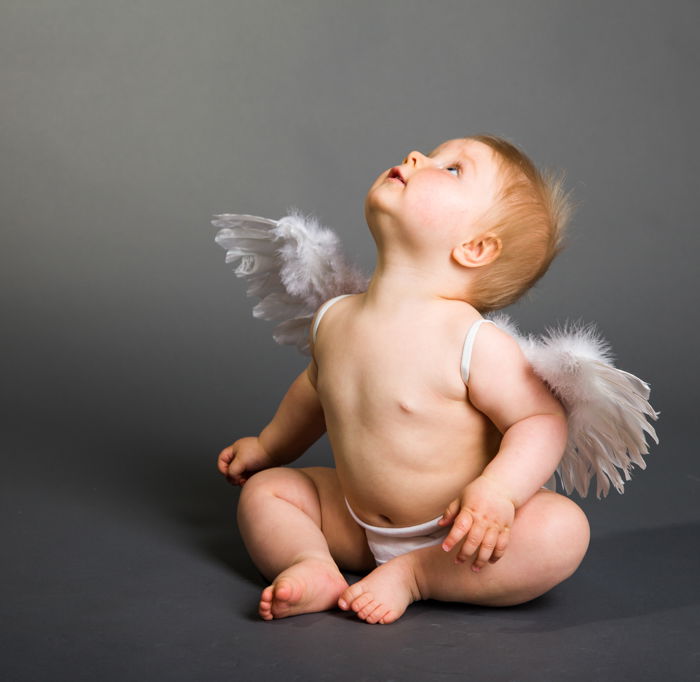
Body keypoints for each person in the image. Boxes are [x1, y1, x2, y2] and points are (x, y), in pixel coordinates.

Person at [217, 135, 590, 624]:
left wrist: (500, 493)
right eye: (432, 154)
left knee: (561, 531)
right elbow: (314, 391)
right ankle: (312, 563)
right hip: (352, 522)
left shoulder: (473, 341)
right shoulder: (334, 317)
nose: (417, 157)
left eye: (453, 169)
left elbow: (541, 419)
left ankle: (418, 574)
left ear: (475, 247)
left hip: (457, 536)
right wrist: (269, 447)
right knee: (268, 492)